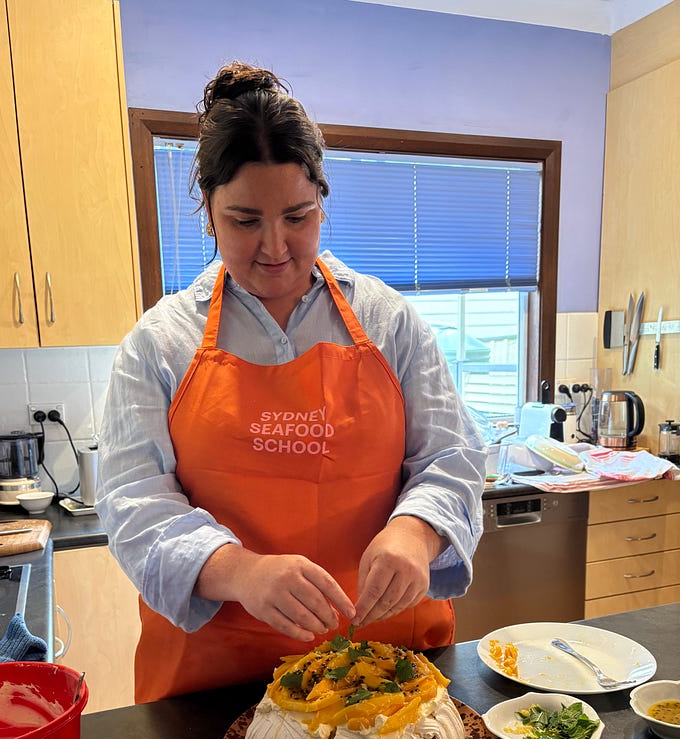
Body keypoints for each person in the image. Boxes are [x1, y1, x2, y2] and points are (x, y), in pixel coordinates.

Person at [96, 61, 486, 702]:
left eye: (297, 217)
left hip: (386, 665)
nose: (274, 247)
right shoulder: (160, 343)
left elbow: (451, 455)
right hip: (219, 681)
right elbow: (133, 505)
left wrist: (415, 531)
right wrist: (237, 570)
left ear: (323, 206)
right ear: (209, 213)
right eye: (245, 221)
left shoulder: (388, 320)